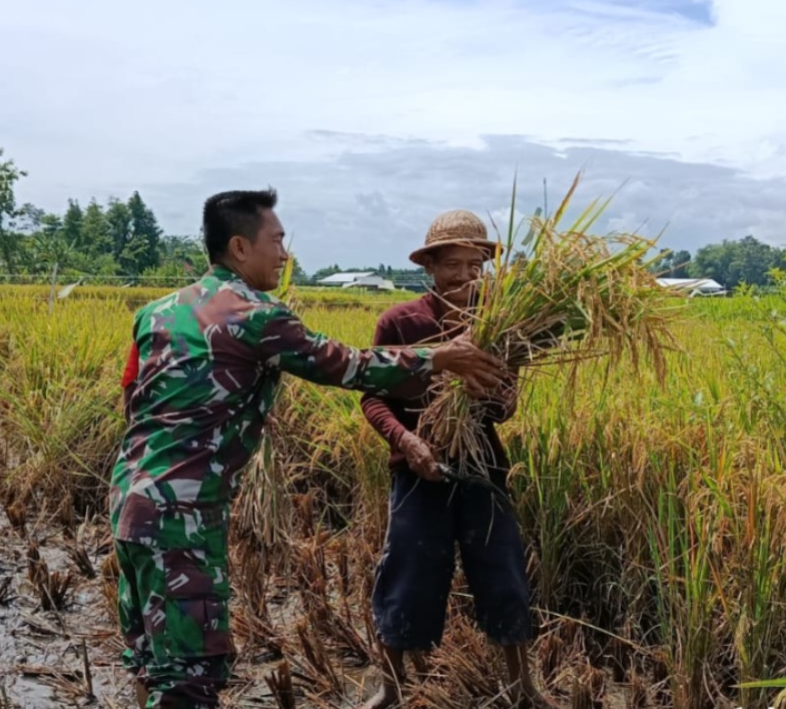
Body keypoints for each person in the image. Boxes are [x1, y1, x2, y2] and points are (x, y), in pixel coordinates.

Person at [109, 189, 508, 709]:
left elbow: (132, 400)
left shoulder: (155, 314)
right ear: (239, 247)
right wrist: (440, 358)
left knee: (148, 660)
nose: (284, 253)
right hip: (180, 515)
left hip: (128, 504)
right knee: (188, 678)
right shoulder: (256, 314)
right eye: (276, 240)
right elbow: (347, 365)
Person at [359, 209, 555, 709]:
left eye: (476, 266)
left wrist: (491, 394)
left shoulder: (501, 323)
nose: (467, 277)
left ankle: (522, 685)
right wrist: (407, 441)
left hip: (482, 469)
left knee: (502, 570)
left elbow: (506, 407)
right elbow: (372, 397)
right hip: (418, 469)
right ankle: (392, 687)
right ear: (431, 266)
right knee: (407, 572)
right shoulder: (401, 322)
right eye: (455, 265)